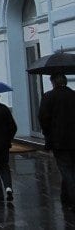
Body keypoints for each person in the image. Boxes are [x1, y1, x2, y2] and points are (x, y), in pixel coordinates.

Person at [39, 73, 75, 210]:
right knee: (71, 168)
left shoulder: (48, 96)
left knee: (66, 170)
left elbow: (43, 118)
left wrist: (48, 135)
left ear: (53, 82)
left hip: (59, 140)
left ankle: (72, 199)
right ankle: (65, 198)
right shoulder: (73, 95)